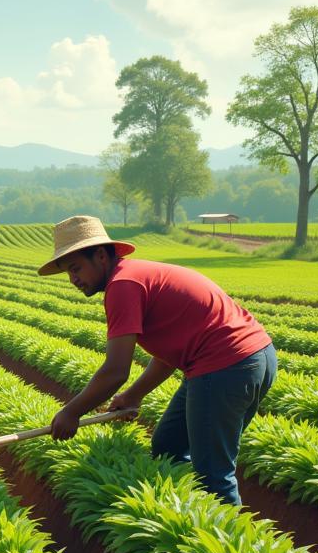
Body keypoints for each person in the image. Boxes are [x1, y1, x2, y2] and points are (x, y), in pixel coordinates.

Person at [39, 215, 276, 506]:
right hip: (255, 357)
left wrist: (71, 412)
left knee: (213, 476)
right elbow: (168, 356)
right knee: (168, 447)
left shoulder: (123, 285)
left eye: (76, 269)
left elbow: (115, 371)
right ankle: (184, 510)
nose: (73, 279)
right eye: (68, 272)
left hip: (225, 367)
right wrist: (133, 396)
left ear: (100, 256)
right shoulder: (136, 275)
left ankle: (230, 547)